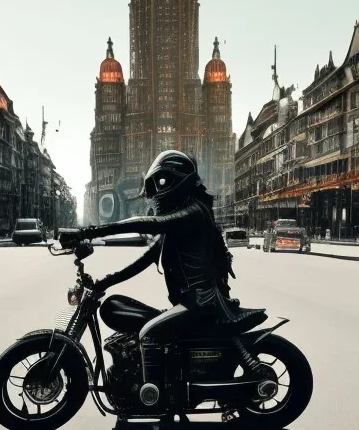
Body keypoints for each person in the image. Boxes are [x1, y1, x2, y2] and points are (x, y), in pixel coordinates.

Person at [61, 150, 266, 400]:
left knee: (149, 332)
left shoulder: (193, 212)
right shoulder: (177, 224)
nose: (157, 193)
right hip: (187, 301)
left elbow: (146, 223)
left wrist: (87, 233)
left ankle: (156, 395)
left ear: (176, 180)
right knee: (131, 317)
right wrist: (106, 282)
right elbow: (144, 261)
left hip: (199, 302)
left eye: (161, 183)